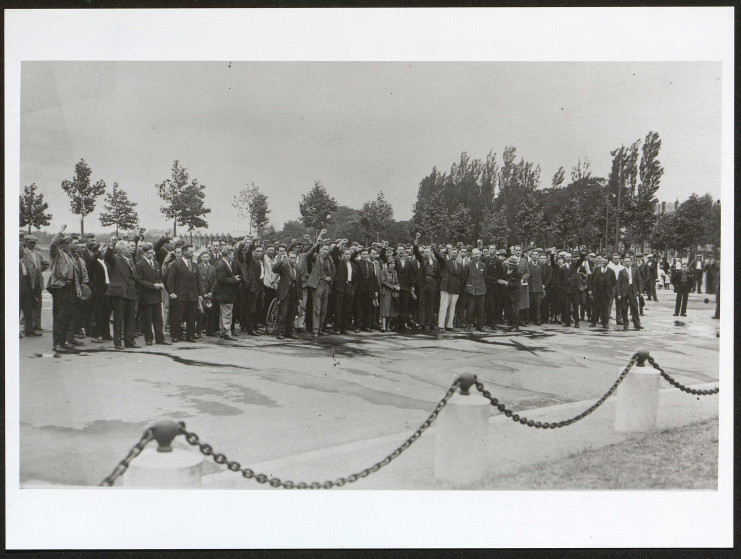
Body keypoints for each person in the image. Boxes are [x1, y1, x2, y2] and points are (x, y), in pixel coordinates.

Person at [103, 237, 140, 350]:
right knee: (118, 318)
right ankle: (118, 343)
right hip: (119, 293)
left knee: (130, 318)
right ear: (122, 250)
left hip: (130, 293)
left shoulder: (131, 260)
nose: (131, 249)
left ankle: (130, 341)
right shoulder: (115, 258)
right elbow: (108, 256)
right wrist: (111, 246)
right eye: (128, 248)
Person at [134, 243, 170, 346]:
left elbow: (159, 277)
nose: (151, 255)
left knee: (158, 318)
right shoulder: (139, 265)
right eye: (148, 253)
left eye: (152, 253)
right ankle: (148, 338)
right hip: (146, 295)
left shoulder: (157, 264)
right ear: (143, 253)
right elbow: (139, 280)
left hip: (157, 296)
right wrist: (153, 286)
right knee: (147, 318)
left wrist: (161, 283)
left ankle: (160, 338)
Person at [167, 244, 201, 343]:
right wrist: (171, 292)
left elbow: (197, 281)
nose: (192, 253)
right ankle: (176, 335)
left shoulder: (194, 265)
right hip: (180, 295)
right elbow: (170, 280)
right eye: (190, 251)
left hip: (192, 295)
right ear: (184, 252)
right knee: (178, 316)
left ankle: (190, 335)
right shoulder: (176, 264)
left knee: (191, 316)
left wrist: (200, 294)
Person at [306, 230, 334, 338]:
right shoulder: (316, 256)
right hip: (317, 284)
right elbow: (308, 254)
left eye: (327, 249)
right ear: (320, 249)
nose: (326, 251)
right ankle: (315, 330)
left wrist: (330, 277)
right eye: (324, 249)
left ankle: (321, 328)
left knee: (324, 308)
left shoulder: (329, 259)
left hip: (326, 284)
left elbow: (332, 271)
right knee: (316, 308)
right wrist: (319, 238)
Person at [412, 232, 441, 331]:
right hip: (423, 283)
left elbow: (438, 274)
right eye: (425, 252)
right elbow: (416, 251)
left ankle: (431, 323)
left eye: (428, 252)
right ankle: (422, 323)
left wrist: (436, 283)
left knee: (432, 304)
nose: (426, 253)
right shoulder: (421, 260)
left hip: (432, 283)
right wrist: (416, 240)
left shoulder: (436, 262)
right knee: (422, 304)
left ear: (431, 253)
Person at [22, 234, 49, 333]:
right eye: (30, 243)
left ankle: (37, 324)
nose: (32, 245)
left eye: (34, 243)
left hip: (38, 281)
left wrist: (39, 270)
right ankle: (28, 325)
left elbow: (46, 263)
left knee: (38, 303)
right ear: (26, 243)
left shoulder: (37, 254)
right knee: (29, 304)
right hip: (28, 282)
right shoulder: (23, 253)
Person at [272, 251, 302, 339]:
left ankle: (288, 332)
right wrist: (281, 261)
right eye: (291, 257)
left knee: (292, 314)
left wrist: (300, 297)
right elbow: (274, 269)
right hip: (285, 293)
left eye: (294, 258)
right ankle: (279, 332)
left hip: (294, 293)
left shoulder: (297, 269)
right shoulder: (284, 266)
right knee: (284, 313)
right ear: (288, 257)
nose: (292, 260)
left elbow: (299, 284)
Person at [240, 237, 266, 336]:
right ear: (254, 252)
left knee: (258, 308)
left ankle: (255, 327)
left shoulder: (260, 261)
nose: (259, 253)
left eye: (261, 252)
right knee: (252, 309)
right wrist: (251, 243)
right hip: (252, 287)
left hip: (259, 286)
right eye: (257, 251)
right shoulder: (251, 260)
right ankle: (251, 329)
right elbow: (247, 253)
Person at [433, 244, 462, 333]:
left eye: (455, 253)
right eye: (452, 253)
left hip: (456, 287)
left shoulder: (460, 265)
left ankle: (449, 325)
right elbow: (439, 257)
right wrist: (435, 250)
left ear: (457, 254)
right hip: (446, 286)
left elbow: (461, 277)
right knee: (443, 306)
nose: (453, 255)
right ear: (449, 254)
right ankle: (441, 325)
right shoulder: (446, 262)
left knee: (452, 307)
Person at [330, 242, 358, 335]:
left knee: (347, 309)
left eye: (349, 254)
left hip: (349, 287)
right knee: (338, 309)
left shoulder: (353, 265)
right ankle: (337, 328)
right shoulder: (339, 262)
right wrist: (340, 244)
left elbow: (355, 278)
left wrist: (353, 288)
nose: (348, 255)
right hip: (340, 288)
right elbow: (334, 253)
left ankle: (344, 328)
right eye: (346, 254)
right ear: (342, 255)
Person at [213, 246, 240, 340]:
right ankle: (227, 331)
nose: (233, 256)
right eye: (232, 254)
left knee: (224, 312)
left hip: (224, 292)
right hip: (225, 293)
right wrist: (234, 279)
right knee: (227, 312)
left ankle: (222, 331)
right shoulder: (222, 264)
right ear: (228, 254)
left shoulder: (223, 263)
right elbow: (221, 279)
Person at [462, 248, 486, 331]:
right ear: (472, 255)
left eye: (478, 254)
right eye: (475, 254)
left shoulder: (483, 265)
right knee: (470, 308)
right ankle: (468, 325)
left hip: (481, 290)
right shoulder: (468, 265)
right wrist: (466, 287)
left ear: (480, 254)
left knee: (481, 309)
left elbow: (484, 277)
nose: (477, 255)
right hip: (471, 290)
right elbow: (464, 278)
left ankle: (480, 326)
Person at [589, 255, 617, 329]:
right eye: (603, 261)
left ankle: (605, 323)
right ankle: (593, 322)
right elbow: (591, 280)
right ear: (601, 261)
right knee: (595, 308)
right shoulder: (596, 270)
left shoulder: (611, 271)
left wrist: (609, 288)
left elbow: (614, 282)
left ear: (608, 262)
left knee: (605, 308)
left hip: (606, 293)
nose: (604, 262)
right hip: (597, 292)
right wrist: (591, 289)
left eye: (606, 261)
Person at [616, 255, 643, 331]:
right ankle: (625, 324)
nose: (627, 263)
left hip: (632, 290)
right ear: (623, 263)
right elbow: (618, 283)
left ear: (631, 262)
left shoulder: (635, 270)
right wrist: (618, 294)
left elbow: (639, 281)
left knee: (634, 307)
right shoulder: (621, 272)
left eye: (628, 261)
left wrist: (640, 292)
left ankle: (637, 324)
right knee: (624, 308)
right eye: (626, 261)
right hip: (624, 291)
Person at [499, 255, 523, 331]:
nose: (507, 265)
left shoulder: (518, 273)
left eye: (509, 265)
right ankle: (510, 324)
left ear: (513, 266)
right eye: (507, 264)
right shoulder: (506, 269)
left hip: (515, 294)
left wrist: (506, 283)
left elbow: (517, 285)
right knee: (508, 309)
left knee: (515, 310)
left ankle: (516, 326)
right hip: (507, 294)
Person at [196, 251, 217, 337]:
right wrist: (203, 293)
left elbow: (216, 280)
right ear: (201, 258)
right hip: (202, 293)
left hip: (210, 293)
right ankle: (199, 331)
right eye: (203, 257)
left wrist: (212, 291)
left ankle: (210, 330)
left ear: (209, 258)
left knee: (211, 312)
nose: (205, 258)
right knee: (201, 313)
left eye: (207, 257)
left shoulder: (213, 268)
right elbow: (199, 281)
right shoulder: (198, 267)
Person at [379, 258, 400, 332]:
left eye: (393, 263)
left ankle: (388, 326)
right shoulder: (383, 271)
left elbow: (397, 281)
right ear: (387, 264)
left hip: (393, 292)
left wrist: (397, 286)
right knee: (385, 309)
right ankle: (383, 326)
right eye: (390, 263)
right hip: (386, 291)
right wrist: (393, 286)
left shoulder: (395, 272)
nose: (392, 265)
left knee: (391, 309)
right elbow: (383, 281)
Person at [527, 249, 545, 326]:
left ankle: (538, 320)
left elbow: (543, 275)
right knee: (528, 304)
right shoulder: (528, 264)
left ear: (538, 256)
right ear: (531, 256)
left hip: (538, 287)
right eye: (533, 254)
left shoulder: (541, 264)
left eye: (536, 254)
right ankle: (527, 319)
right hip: (530, 287)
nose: (535, 256)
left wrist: (542, 283)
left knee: (538, 305)